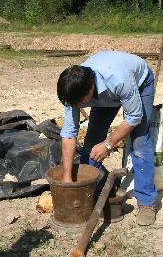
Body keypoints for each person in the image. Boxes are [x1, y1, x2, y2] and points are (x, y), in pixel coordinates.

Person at [57, 51, 157, 226]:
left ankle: (147, 202)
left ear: (90, 90)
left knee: (139, 140)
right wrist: (67, 177)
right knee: (92, 139)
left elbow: (134, 117)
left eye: (80, 103)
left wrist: (108, 144)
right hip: (104, 93)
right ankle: (89, 189)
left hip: (140, 82)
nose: (77, 108)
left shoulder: (118, 79)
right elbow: (69, 133)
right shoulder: (73, 91)